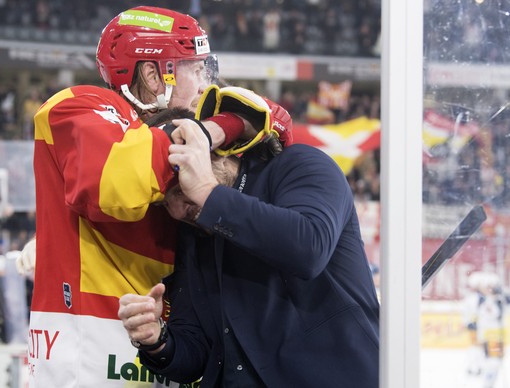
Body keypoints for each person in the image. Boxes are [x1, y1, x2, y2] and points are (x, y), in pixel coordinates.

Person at [27, 6, 289, 388]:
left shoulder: (170, 128)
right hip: (88, 358)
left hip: (166, 353)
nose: (205, 84)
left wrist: (231, 126)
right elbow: (114, 182)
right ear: (154, 74)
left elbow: (277, 125)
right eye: (196, 69)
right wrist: (225, 125)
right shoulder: (77, 105)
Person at [118, 119, 380, 387]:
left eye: (180, 187)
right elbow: (194, 353)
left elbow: (309, 247)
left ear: (215, 153)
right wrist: (156, 341)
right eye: (163, 202)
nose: (175, 209)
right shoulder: (194, 233)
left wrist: (209, 193)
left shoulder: (300, 165)